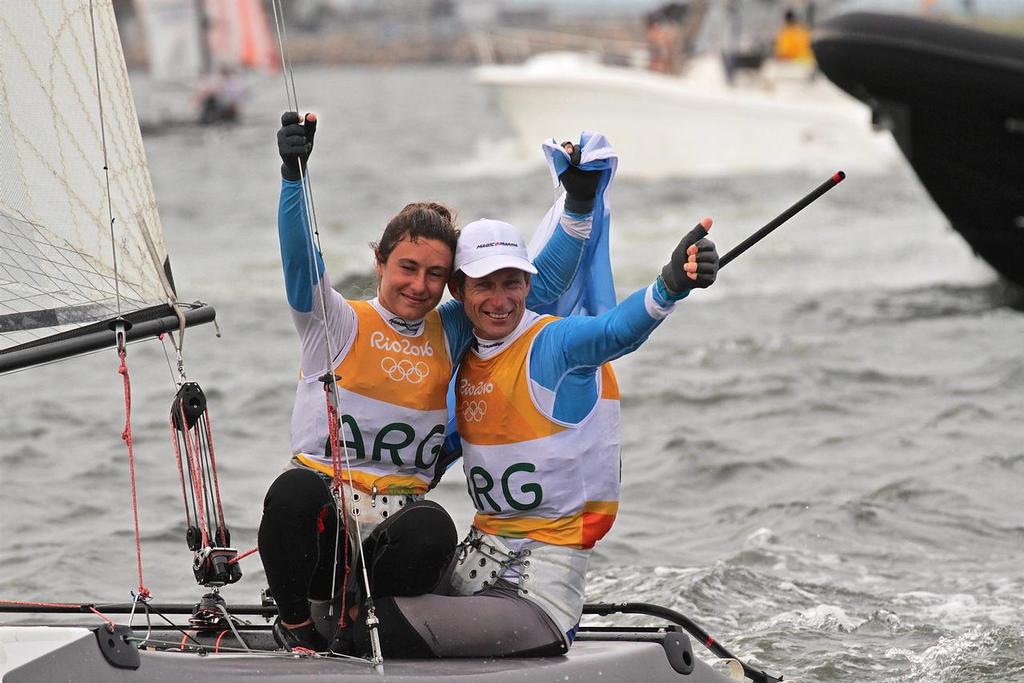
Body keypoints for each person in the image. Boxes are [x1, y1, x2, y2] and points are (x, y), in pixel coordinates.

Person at [258, 112, 607, 652]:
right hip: (326, 536)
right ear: (380, 262)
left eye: (435, 274)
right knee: (292, 492)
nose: (419, 286)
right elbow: (302, 263)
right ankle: (297, 629)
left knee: (434, 528)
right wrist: (293, 176)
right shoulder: (335, 322)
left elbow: (533, 288)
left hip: (392, 548)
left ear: (451, 283)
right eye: (407, 268)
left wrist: (579, 205)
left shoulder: (452, 328)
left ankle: (364, 629)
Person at [332, 211, 719, 658]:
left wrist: (670, 286)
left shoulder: (555, 346)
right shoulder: (465, 360)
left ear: (528, 286)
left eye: (512, 283)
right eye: (484, 285)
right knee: (354, 600)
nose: (500, 300)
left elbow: (615, 332)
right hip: (473, 570)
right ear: (458, 291)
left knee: (374, 628)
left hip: (535, 598)